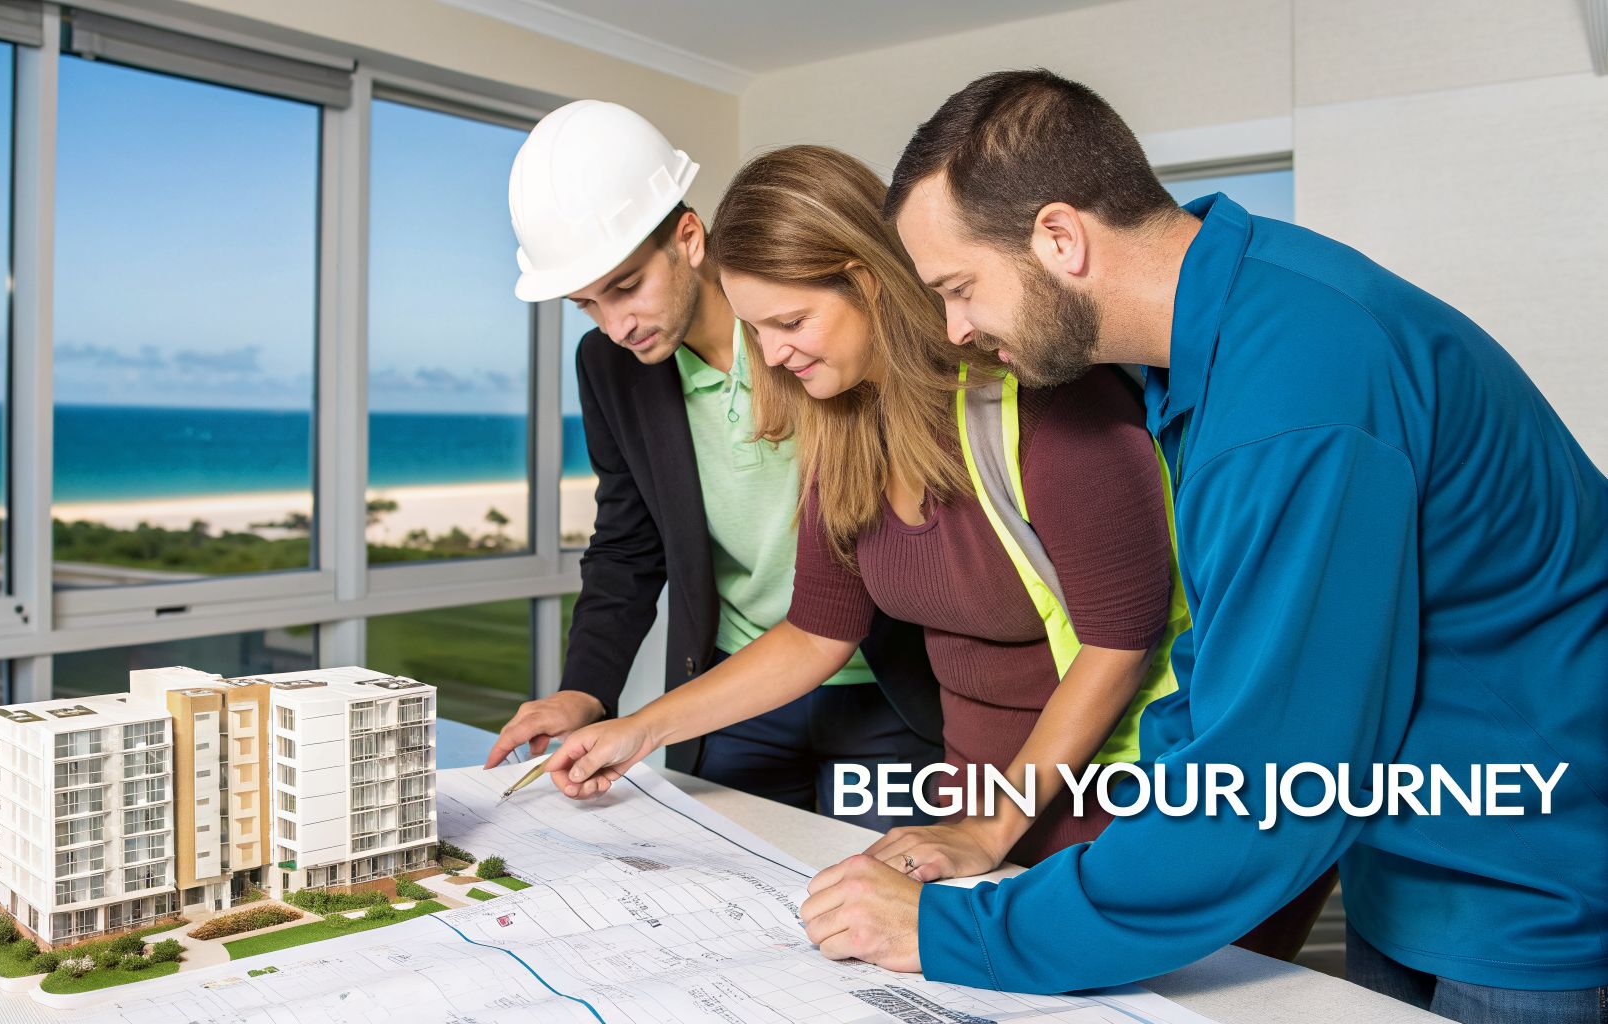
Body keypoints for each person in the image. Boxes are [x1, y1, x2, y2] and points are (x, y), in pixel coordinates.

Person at [801, 69, 1608, 1023]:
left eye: (960, 288)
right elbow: (1221, 674)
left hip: (1528, 887)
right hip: (1403, 861)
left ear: (1060, 238)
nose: (955, 330)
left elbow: (1271, 777)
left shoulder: (1296, 387)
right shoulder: (1220, 343)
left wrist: (957, 931)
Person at [539, 144, 1183, 876]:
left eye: (790, 322)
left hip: (1111, 805)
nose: (770, 357)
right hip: (977, 799)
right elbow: (817, 631)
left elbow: (1118, 644)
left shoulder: (1050, 405)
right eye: (757, 330)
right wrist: (638, 730)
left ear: (866, 283)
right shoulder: (843, 428)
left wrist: (989, 829)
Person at [487, 101, 943, 829]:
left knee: (878, 889)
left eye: (627, 286)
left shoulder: (816, 336)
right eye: (587, 304)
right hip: (731, 691)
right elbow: (626, 546)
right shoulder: (608, 366)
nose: (616, 325)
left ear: (689, 239)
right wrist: (585, 691)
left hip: (889, 687)